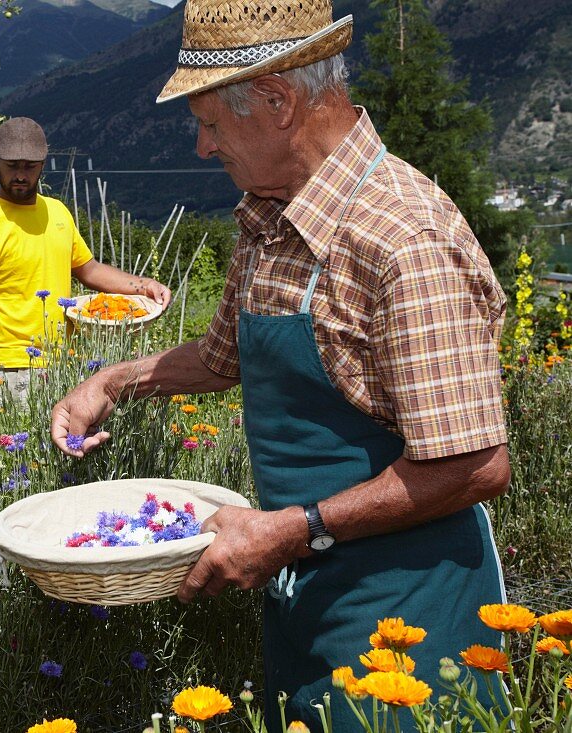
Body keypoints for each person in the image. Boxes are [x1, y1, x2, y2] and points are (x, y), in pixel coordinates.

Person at [50, 2, 509, 731]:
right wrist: (113, 380)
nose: (202, 147)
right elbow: (220, 356)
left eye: (209, 122)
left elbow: (477, 465)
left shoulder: (401, 236)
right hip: (305, 599)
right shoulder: (271, 215)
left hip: (411, 631)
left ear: (277, 101)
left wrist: (292, 530)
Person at [0, 117, 170, 407]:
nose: (21, 175)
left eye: (30, 167)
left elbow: (89, 270)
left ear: (43, 165)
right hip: (12, 369)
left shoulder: (58, 213)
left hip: (67, 366)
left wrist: (143, 286)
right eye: (12, 166)